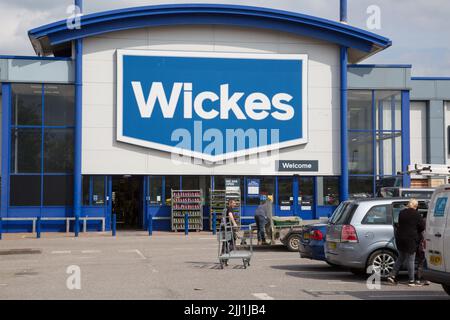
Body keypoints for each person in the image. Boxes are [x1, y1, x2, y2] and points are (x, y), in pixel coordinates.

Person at [387, 199, 426, 286]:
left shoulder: (401, 213)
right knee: (411, 260)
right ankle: (411, 280)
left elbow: (400, 224)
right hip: (410, 240)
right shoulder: (416, 214)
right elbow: (422, 227)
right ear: (416, 206)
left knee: (401, 257)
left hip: (400, 238)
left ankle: (392, 275)